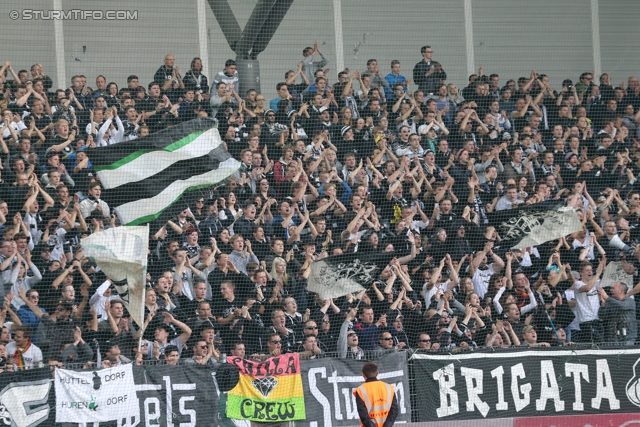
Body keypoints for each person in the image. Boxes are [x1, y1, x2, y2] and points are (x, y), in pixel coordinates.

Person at [354, 361, 399, 427]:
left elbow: (363, 415)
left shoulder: (360, 391)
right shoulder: (389, 388)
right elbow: (394, 410)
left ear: (363, 375)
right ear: (377, 373)